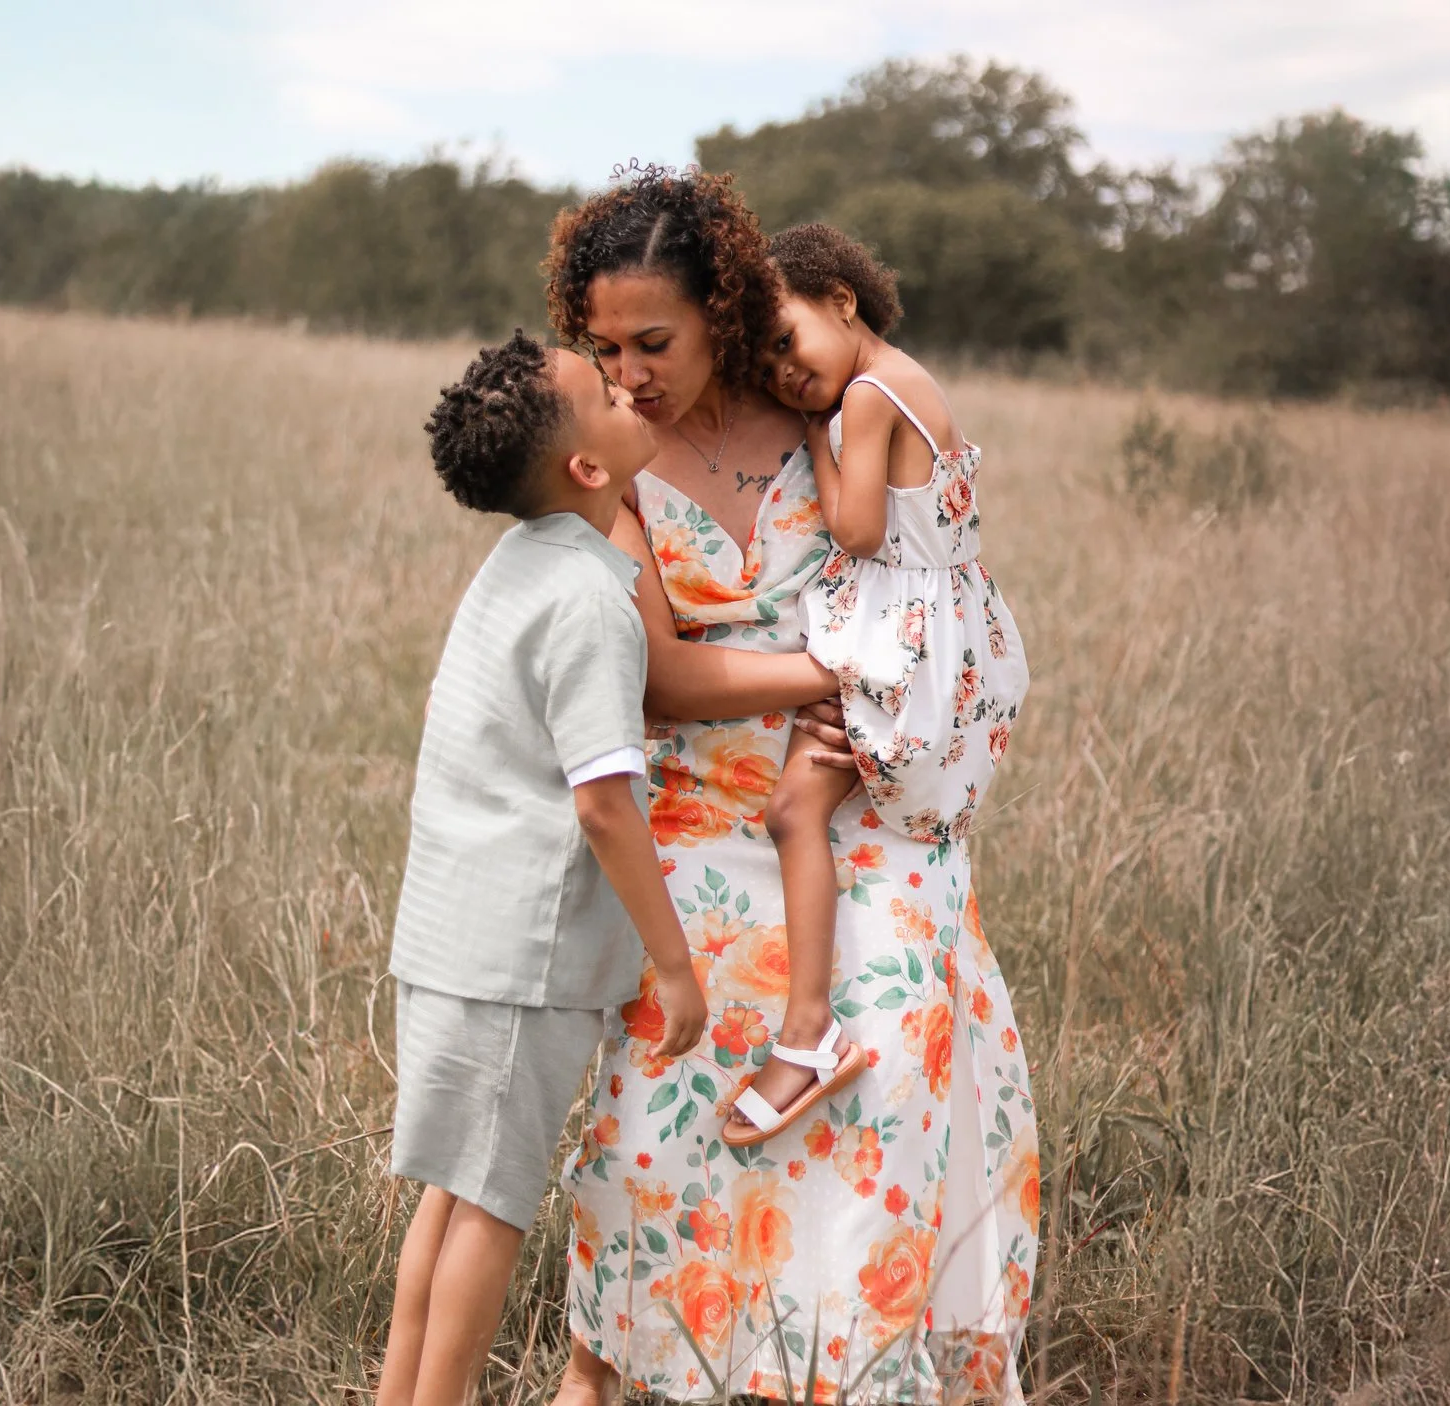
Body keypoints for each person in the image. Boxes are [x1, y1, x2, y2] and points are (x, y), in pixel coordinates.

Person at [543, 167, 1040, 1406]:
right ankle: (621, 1363)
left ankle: (843, 1368)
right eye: (602, 346)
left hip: (857, 803)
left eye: (653, 340)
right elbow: (656, 672)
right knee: (679, 1066)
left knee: (890, 1017)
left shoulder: (820, 398)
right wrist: (824, 667)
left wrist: (906, 696)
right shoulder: (609, 460)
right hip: (701, 809)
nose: (628, 371)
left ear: (724, 308)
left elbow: (935, 559)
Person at [378, 331, 710, 1406]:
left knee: (451, 1194)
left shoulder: (523, 564)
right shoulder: (587, 602)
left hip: (451, 934)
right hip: (517, 957)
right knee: (493, 1209)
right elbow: (604, 801)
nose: (631, 389)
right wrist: (673, 965)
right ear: (589, 467)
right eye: (609, 391)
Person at [721, 223, 1030, 1151]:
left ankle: (809, 1027)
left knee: (791, 813)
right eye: (766, 368)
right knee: (823, 815)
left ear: (842, 301)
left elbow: (856, 531)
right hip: (955, 634)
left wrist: (815, 440)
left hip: (903, 652)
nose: (784, 374)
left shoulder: (861, 398)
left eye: (785, 341)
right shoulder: (914, 378)